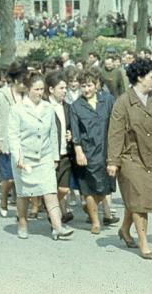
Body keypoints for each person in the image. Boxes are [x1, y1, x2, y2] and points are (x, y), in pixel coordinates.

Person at [107, 58, 152, 259]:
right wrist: (113, 161)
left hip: (149, 158)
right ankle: (143, 242)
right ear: (139, 78)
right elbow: (115, 134)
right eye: (151, 76)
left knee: (137, 198)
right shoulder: (123, 102)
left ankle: (124, 230)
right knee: (141, 200)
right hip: (129, 158)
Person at [7, 72, 74, 241]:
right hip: (25, 158)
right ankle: (22, 222)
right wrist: (18, 157)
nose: (39, 93)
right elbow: (13, 136)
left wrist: (54, 157)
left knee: (50, 191)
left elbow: (53, 134)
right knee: (24, 194)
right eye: (36, 89)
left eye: (41, 89)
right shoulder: (17, 109)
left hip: (44, 156)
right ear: (28, 89)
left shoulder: (48, 108)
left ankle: (58, 227)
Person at [70, 69, 117, 234]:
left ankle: (92, 210)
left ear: (96, 85)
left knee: (105, 187)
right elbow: (75, 131)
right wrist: (79, 151)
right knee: (89, 188)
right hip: (88, 152)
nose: (86, 89)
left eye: (89, 85)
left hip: (107, 150)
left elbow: (117, 124)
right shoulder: (76, 106)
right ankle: (95, 221)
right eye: (83, 86)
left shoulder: (108, 100)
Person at [0, 61, 25, 218]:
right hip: (7, 142)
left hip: (25, 142)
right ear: (16, 80)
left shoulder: (28, 95)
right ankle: (3, 199)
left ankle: (21, 210)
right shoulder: (0, 95)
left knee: (22, 179)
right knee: (9, 178)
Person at [46, 71, 75, 224]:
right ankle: (55, 214)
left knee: (64, 189)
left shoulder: (68, 107)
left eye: (66, 88)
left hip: (65, 154)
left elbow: (70, 126)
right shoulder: (44, 107)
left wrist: (71, 135)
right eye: (61, 88)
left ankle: (52, 208)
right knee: (52, 188)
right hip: (50, 156)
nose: (65, 91)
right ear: (51, 89)